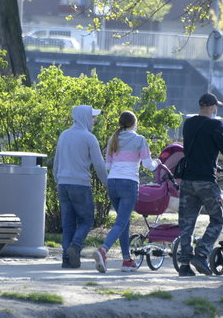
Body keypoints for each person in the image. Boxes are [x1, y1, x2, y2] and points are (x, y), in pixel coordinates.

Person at [176, 93, 223, 277]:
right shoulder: (215, 125)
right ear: (211, 107)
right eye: (215, 106)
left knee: (186, 222)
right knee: (218, 219)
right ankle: (201, 253)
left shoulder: (189, 124)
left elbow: (192, 149)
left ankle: (184, 264)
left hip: (187, 180)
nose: (216, 109)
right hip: (206, 181)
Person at [92, 110, 159, 273]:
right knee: (121, 222)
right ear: (134, 123)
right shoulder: (139, 139)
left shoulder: (113, 139)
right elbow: (147, 165)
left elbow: (107, 166)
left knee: (124, 222)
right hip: (128, 184)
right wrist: (157, 162)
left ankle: (127, 260)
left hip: (112, 183)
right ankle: (103, 250)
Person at [52, 105, 108, 269]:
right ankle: (75, 247)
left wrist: (58, 180)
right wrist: (106, 183)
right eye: (92, 117)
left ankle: (66, 259)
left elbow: (56, 162)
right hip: (80, 184)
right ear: (84, 117)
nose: (95, 120)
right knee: (87, 220)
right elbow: (99, 165)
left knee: (68, 223)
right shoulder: (89, 138)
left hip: (63, 184)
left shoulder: (64, 135)